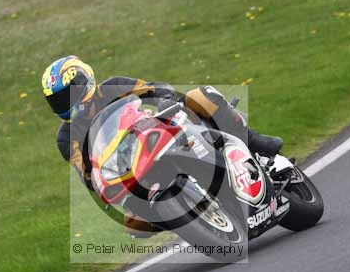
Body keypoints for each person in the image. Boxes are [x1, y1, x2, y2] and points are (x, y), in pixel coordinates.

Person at [41, 55, 283, 236]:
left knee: (202, 96)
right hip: (128, 169)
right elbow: (85, 171)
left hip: (154, 133)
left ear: (85, 82)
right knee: (134, 225)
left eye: (68, 95)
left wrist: (165, 97)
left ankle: (253, 141)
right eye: (58, 101)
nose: (65, 104)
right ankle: (187, 217)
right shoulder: (66, 137)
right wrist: (98, 184)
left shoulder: (114, 86)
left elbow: (153, 89)